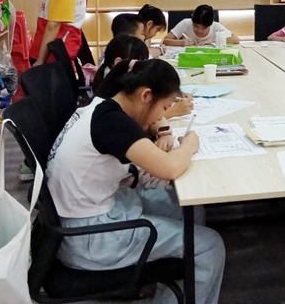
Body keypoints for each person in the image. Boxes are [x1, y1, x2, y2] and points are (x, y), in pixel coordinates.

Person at [47, 59, 225, 303]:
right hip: (89, 238)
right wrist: (189, 145)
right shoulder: (114, 123)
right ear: (146, 96)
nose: (162, 115)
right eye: (164, 107)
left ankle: (172, 290)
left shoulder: (101, 106)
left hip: (81, 218)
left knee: (190, 210)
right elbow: (170, 168)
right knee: (209, 246)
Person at [163, 4, 239, 46]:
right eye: (195, 26)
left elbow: (236, 39)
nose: (199, 30)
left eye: (204, 28)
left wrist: (213, 41)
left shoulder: (216, 26)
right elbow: (165, 40)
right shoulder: (186, 23)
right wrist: (181, 42)